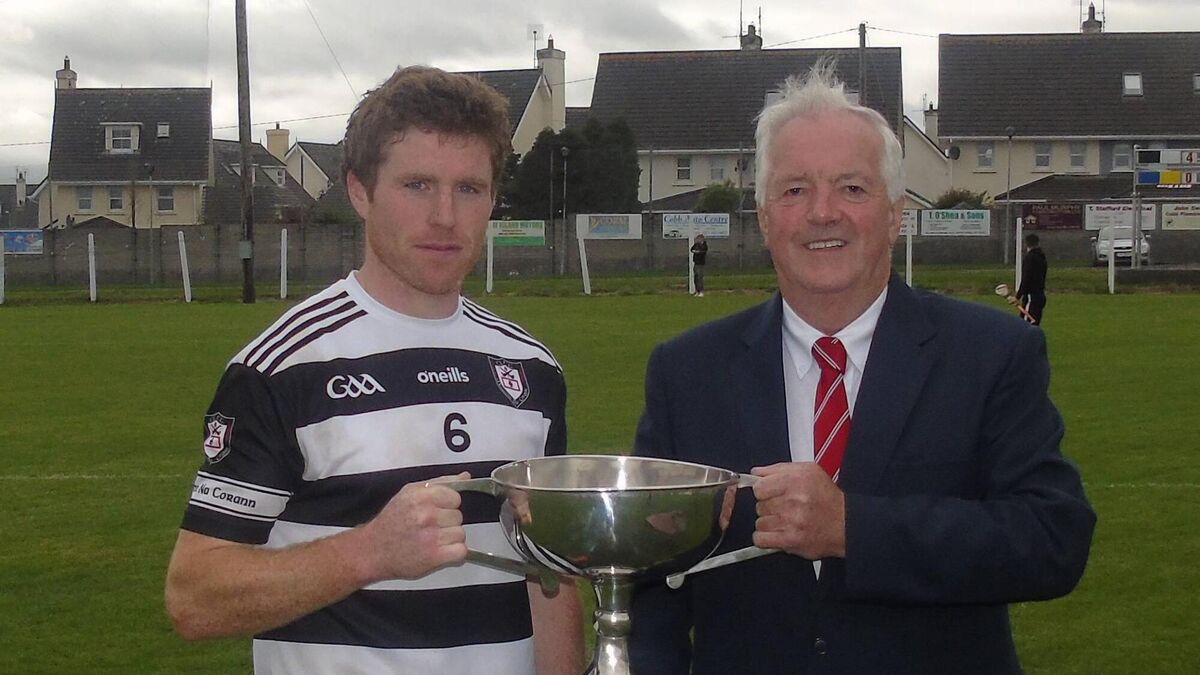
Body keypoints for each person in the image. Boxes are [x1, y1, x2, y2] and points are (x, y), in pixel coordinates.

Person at [629, 64, 1094, 675]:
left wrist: (853, 527)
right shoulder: (687, 372)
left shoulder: (991, 353)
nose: (823, 212)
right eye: (795, 190)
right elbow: (652, 583)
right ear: (764, 217)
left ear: (895, 214)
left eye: (852, 188)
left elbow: (1053, 538)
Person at [164, 66, 582, 675]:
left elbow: (550, 576)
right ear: (360, 192)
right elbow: (195, 599)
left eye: (469, 188)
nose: (445, 216)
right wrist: (369, 552)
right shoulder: (284, 369)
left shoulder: (532, 370)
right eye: (418, 185)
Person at [1017, 233, 1047, 325]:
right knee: (1034, 324)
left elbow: (1026, 278)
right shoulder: (1042, 257)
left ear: (1026, 244)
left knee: (1026, 325)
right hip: (1040, 295)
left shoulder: (1029, 258)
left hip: (1031, 297)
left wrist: (1018, 296)